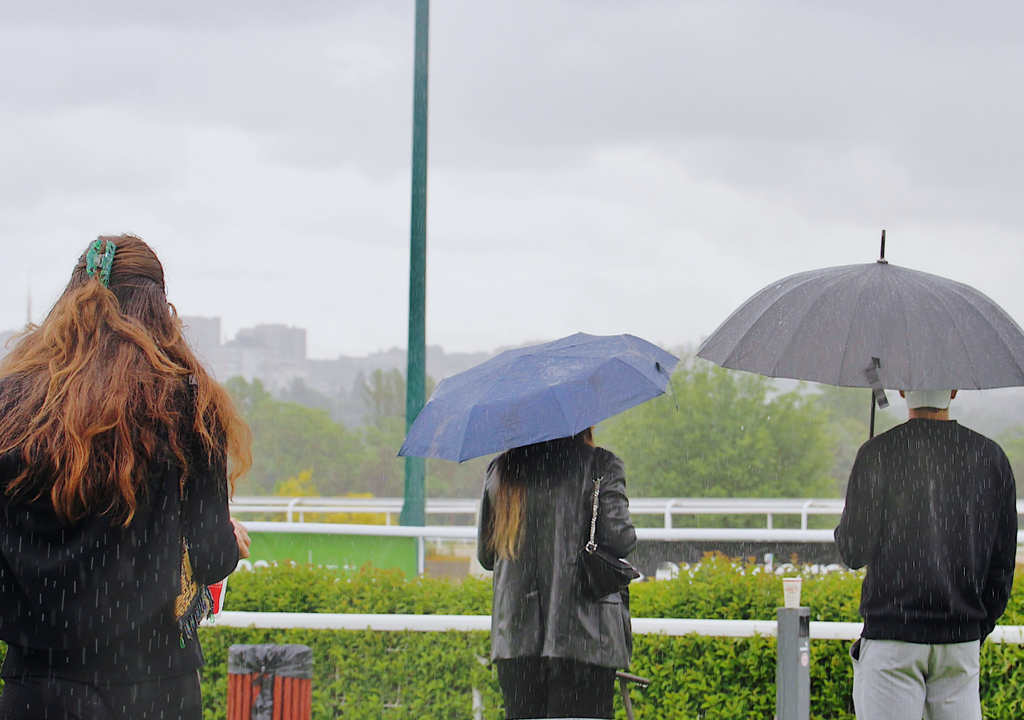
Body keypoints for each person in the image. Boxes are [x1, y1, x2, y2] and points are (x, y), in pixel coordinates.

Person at [0, 235, 253, 720]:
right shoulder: (187, 407)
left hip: (39, 686)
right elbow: (210, 557)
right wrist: (223, 537)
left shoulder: (14, 407)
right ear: (158, 309)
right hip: (153, 685)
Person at [834, 389, 1018, 720]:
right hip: (959, 644)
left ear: (902, 390)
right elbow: (1002, 566)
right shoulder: (990, 457)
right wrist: (971, 628)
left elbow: (853, 552)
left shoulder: (879, 452)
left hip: (892, 638)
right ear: (954, 390)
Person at [476, 428, 636, 720]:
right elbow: (620, 540)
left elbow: (487, 557)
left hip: (515, 638)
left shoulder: (502, 469)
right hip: (585, 637)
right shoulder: (600, 464)